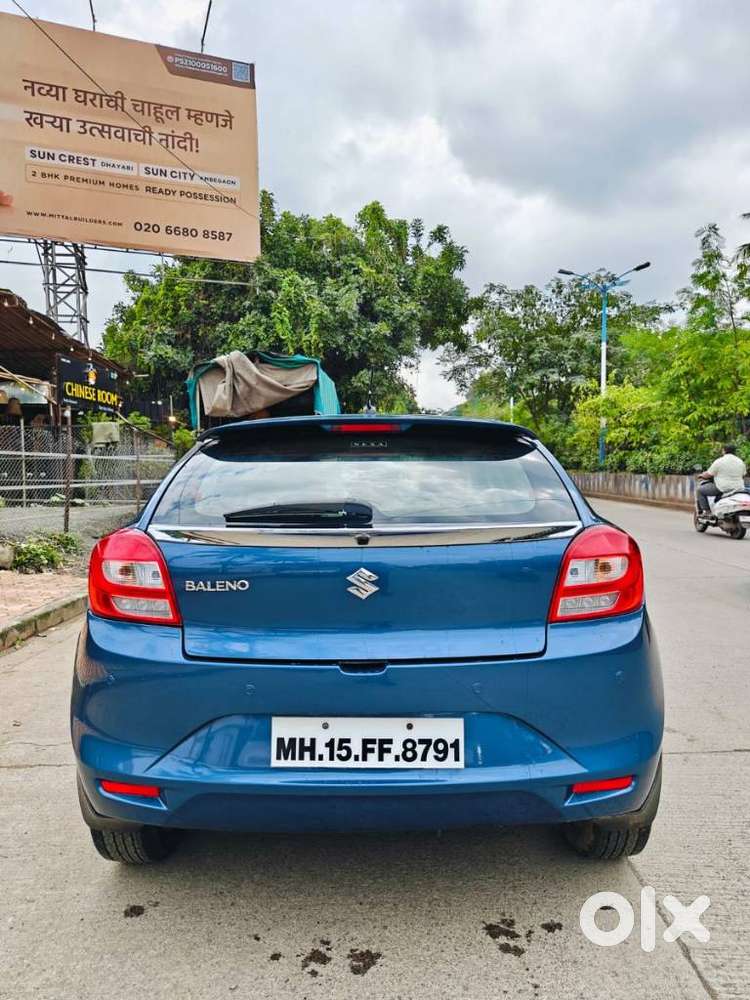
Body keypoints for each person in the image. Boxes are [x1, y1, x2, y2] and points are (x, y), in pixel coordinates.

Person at [697, 444, 748, 513]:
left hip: (722, 488)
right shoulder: (740, 462)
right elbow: (743, 474)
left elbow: (709, 474)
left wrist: (701, 475)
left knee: (700, 491)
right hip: (739, 488)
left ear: (724, 451)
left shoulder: (719, 461)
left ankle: (707, 512)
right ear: (734, 451)